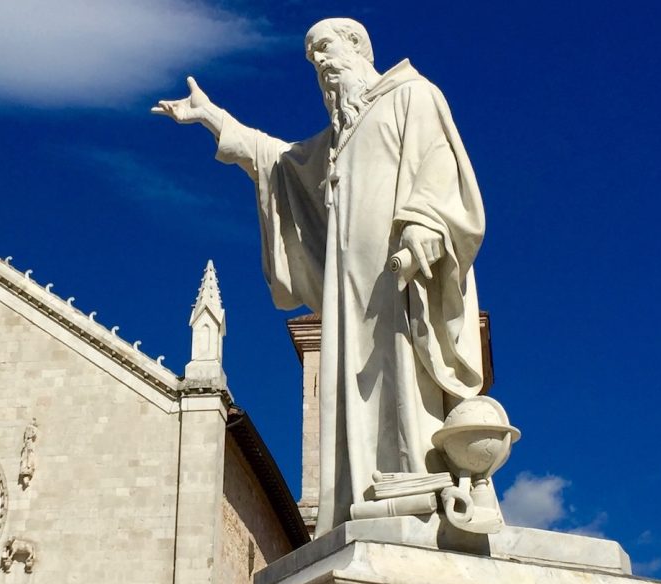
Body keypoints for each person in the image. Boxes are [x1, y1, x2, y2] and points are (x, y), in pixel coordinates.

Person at [153, 18, 485, 533]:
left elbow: (439, 167)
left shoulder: (411, 95)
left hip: (398, 276)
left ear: (357, 46)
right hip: (350, 291)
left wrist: (424, 225)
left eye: (326, 50)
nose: (321, 65)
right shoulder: (338, 138)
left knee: (402, 371)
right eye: (312, 60)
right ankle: (361, 493)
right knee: (352, 379)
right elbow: (276, 160)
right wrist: (213, 117)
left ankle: (417, 486)